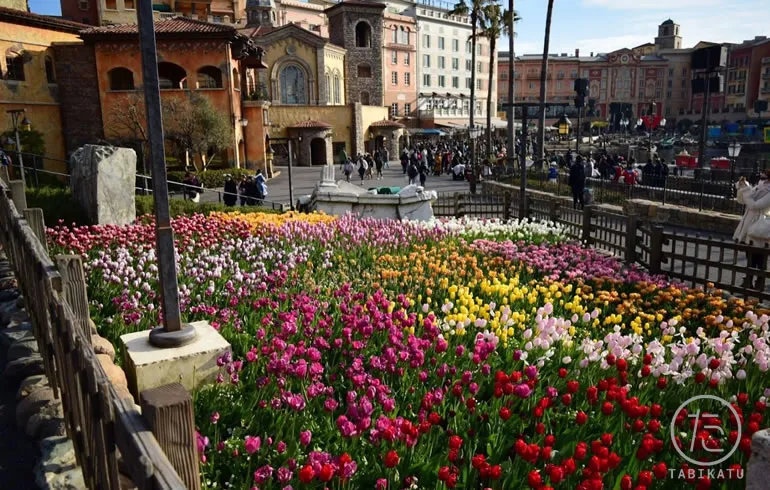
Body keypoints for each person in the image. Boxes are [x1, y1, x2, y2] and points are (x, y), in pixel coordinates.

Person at [734, 173, 770, 289]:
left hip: (760, 225)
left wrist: (746, 190)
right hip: (749, 223)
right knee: (750, 254)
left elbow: (754, 205)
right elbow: (742, 200)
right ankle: (748, 279)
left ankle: (759, 281)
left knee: (760, 256)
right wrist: (743, 187)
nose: (762, 178)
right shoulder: (760, 186)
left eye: (765, 177)